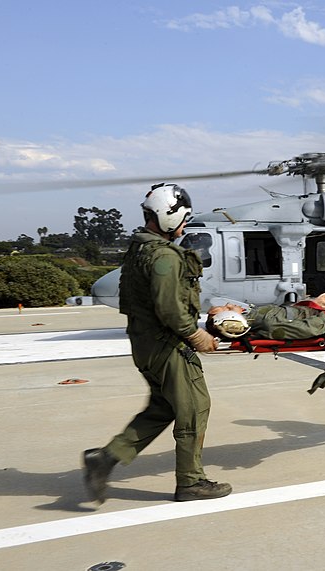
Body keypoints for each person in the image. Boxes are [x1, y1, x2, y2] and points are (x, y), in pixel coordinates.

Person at [82, 183, 232, 504]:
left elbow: (165, 298)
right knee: (194, 407)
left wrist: (209, 310)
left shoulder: (140, 249)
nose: (183, 227)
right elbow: (170, 308)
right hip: (167, 345)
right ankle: (191, 483)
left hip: (145, 344)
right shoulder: (164, 255)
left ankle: (105, 459)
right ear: (168, 217)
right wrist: (197, 334)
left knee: (163, 407)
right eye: (182, 220)